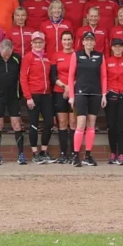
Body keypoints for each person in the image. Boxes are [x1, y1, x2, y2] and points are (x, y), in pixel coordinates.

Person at [67, 31, 107, 167]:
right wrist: (71, 96)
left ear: (94, 42)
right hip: (80, 93)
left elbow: (104, 76)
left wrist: (104, 94)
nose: (89, 42)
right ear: (83, 42)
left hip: (95, 93)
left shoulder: (100, 56)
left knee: (91, 124)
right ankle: (76, 155)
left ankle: (88, 155)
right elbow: (71, 76)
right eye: (87, 40)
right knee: (81, 123)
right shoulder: (76, 55)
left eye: (91, 40)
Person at [0, 39, 25, 166]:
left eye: (9, 55)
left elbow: (22, 76)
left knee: (17, 124)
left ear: (12, 49)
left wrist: (21, 94)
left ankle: (21, 154)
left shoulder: (18, 59)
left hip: (14, 97)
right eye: (4, 55)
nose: (7, 57)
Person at [19, 32, 54, 164]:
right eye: (36, 42)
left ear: (44, 43)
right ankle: (34, 153)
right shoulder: (28, 57)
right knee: (34, 124)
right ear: (32, 43)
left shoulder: (46, 57)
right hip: (33, 95)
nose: (38, 44)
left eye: (40, 42)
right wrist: (28, 97)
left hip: (46, 95)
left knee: (50, 122)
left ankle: (44, 151)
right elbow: (23, 78)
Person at [105, 38, 123, 165]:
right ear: (111, 48)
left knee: (121, 127)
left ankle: (121, 154)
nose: (117, 49)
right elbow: (103, 78)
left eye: (120, 47)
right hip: (111, 97)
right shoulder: (106, 62)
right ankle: (113, 153)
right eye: (115, 46)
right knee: (111, 126)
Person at [51, 30, 77, 163]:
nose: (67, 42)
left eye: (69, 39)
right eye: (64, 40)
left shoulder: (77, 54)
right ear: (61, 41)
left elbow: (80, 74)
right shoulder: (56, 55)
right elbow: (53, 76)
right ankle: (63, 153)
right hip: (59, 91)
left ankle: (73, 153)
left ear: (73, 40)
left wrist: (71, 88)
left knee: (73, 123)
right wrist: (65, 87)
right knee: (62, 123)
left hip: (74, 93)